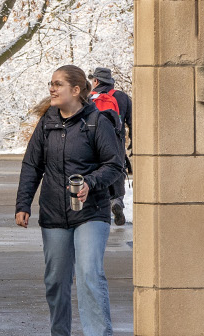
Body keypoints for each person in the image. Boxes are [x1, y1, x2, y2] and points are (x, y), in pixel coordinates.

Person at [15, 65, 125, 336]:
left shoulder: (96, 122)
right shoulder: (47, 122)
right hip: (54, 213)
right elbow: (32, 165)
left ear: (76, 90)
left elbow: (114, 164)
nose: (51, 89)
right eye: (50, 83)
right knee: (55, 281)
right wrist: (23, 204)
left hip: (91, 212)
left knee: (89, 275)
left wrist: (91, 182)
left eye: (58, 84)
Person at [88, 67, 132, 226]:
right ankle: (117, 201)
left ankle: (98, 208)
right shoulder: (122, 97)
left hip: (93, 143)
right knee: (116, 169)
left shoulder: (88, 98)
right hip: (116, 141)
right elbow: (133, 122)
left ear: (96, 81)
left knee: (97, 171)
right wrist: (133, 143)